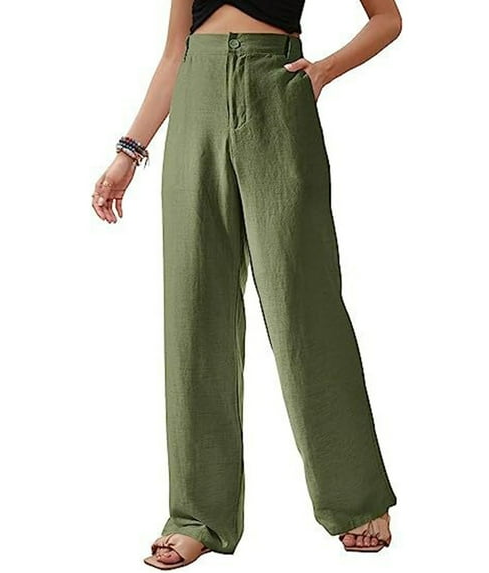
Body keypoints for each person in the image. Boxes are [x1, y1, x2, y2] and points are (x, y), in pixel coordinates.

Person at [92, 0, 402, 569]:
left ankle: (356, 499)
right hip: (196, 103)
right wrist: (128, 154)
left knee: (304, 307)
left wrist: (325, 70)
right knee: (193, 313)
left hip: (276, 94)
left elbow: (387, 19)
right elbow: (175, 52)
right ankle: (196, 517)